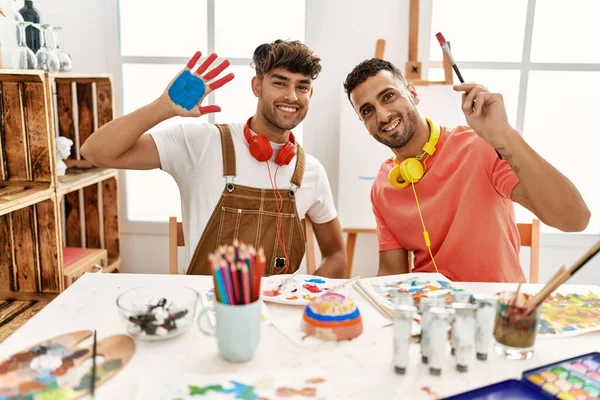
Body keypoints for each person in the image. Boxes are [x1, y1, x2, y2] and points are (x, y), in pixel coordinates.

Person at [81, 39, 347, 278]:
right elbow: (96, 152)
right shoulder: (201, 143)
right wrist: (161, 108)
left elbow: (336, 256)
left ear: (310, 94)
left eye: (302, 87)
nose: (291, 95)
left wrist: (309, 298)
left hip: (278, 318)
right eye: (280, 82)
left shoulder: (311, 171)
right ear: (257, 86)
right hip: (205, 313)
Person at [342, 58, 590, 282]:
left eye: (388, 96)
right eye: (367, 110)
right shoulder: (384, 186)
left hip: (495, 312)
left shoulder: (479, 145)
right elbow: (391, 276)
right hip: (429, 314)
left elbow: (575, 219)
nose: (383, 115)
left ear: (413, 93)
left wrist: (503, 134)